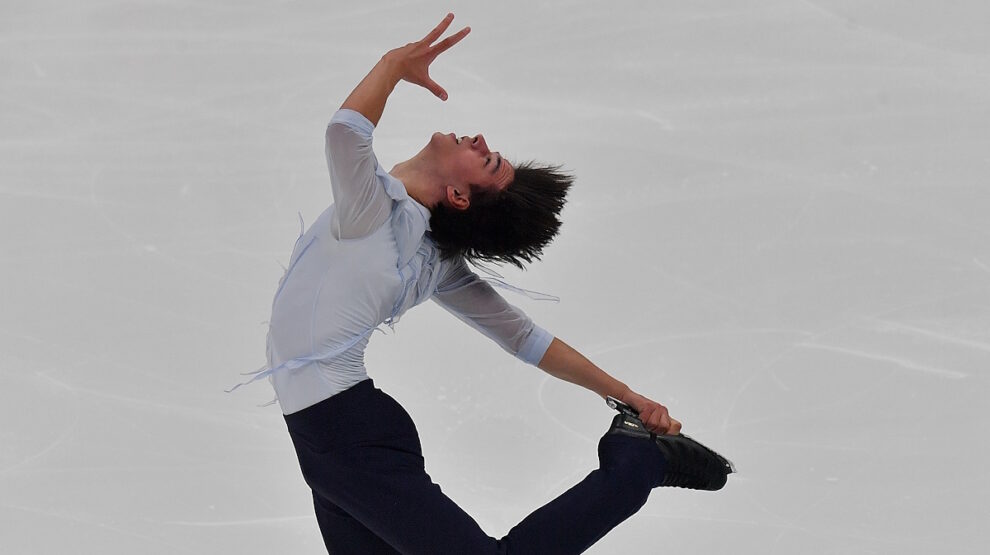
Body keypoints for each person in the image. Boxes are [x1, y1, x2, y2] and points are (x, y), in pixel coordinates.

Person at [228, 13, 728, 554]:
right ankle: (639, 458)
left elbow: (344, 132)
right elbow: (525, 339)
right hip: (336, 435)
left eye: (485, 160)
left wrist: (394, 65)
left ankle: (638, 464)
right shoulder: (426, 252)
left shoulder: (373, 215)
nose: (481, 140)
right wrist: (625, 395)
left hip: (344, 434)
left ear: (460, 197)